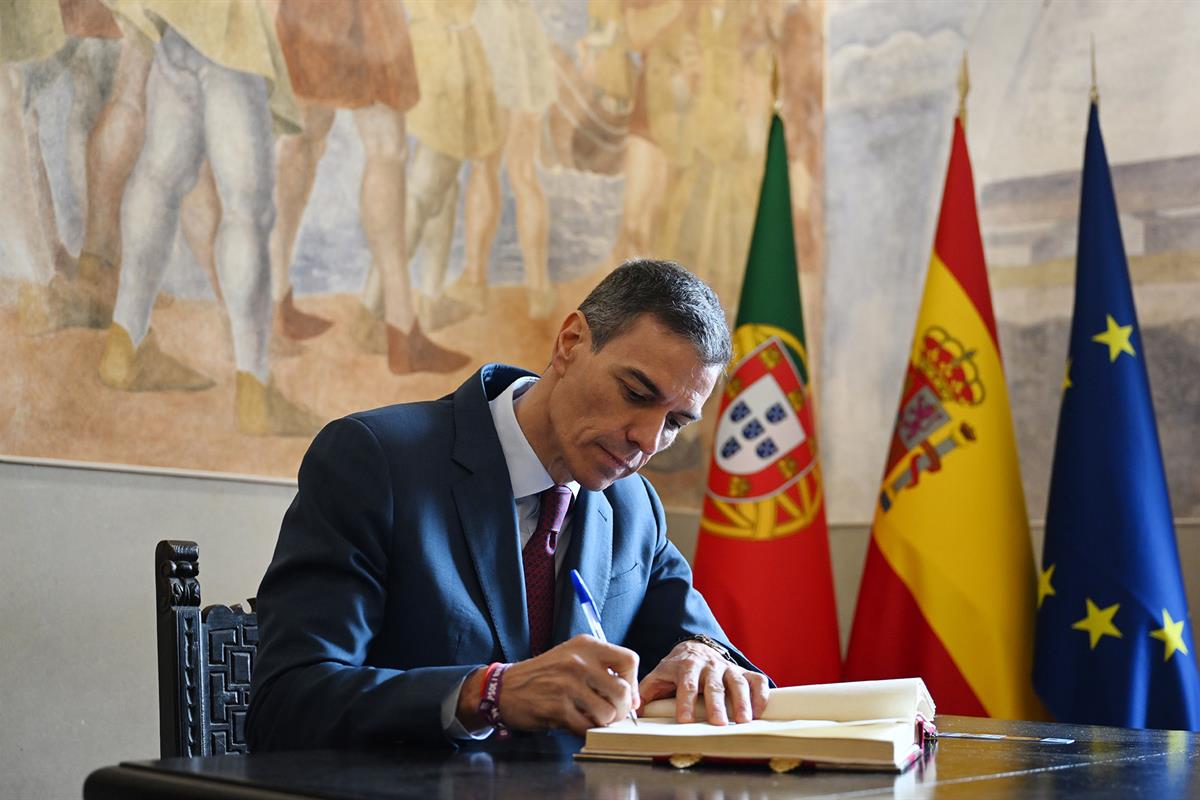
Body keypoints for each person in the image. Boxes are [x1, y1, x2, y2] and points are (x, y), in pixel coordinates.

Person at [248, 258, 771, 750]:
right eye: (636, 392)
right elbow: (286, 704)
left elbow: (699, 640)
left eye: (676, 423)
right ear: (569, 343)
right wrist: (486, 693)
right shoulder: (375, 461)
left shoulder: (634, 507)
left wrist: (703, 655)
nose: (647, 439)